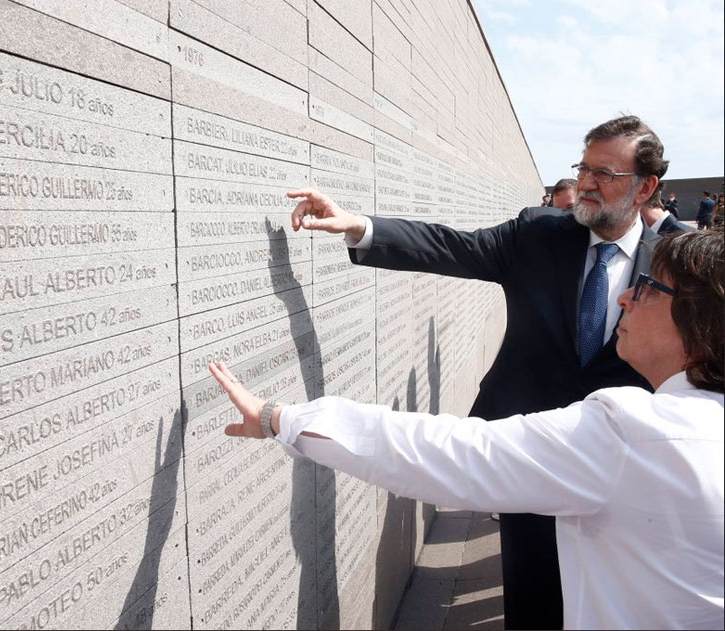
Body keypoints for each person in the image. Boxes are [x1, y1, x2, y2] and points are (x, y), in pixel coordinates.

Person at [208, 229, 724, 631]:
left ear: (700, 324)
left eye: (650, 289)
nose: (624, 299)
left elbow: (453, 454)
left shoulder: (636, 433)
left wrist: (282, 417)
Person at [280, 115, 668, 629]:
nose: (588, 184)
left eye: (606, 173)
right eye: (584, 168)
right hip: (524, 449)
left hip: (623, 464)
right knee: (531, 590)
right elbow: (455, 247)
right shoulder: (539, 232)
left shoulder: (674, 261)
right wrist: (360, 226)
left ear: (646, 187)